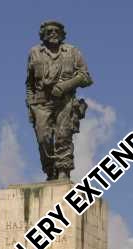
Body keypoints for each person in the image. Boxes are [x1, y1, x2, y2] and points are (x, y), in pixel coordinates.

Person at [26, 20, 93, 181]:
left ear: (62, 34)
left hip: (64, 101)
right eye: (49, 31)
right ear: (43, 35)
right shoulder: (34, 53)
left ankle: (63, 170)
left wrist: (65, 86)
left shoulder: (72, 51)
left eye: (56, 31)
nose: (53, 33)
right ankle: (50, 170)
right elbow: (29, 84)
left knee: (64, 135)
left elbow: (86, 77)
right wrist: (30, 106)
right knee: (43, 138)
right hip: (41, 103)